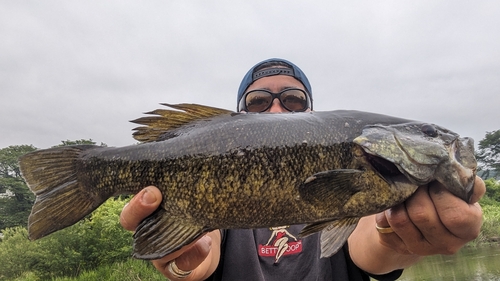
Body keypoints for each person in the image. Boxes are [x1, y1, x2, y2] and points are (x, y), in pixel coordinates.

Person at [120, 58, 486, 280]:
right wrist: (184, 264)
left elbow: (373, 243)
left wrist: (402, 241)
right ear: (238, 117)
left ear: (313, 112)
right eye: (259, 101)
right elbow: (205, 248)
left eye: (293, 100)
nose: (277, 110)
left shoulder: (370, 185)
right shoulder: (221, 212)